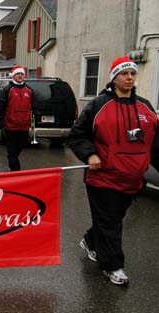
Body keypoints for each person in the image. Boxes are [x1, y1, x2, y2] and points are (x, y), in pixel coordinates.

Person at [67, 56, 159, 286]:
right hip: (103, 177)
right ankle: (112, 266)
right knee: (110, 222)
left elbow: (155, 144)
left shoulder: (145, 107)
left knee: (112, 218)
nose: (129, 77)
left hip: (133, 178)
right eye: (123, 74)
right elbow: (77, 135)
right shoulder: (99, 105)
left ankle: (90, 241)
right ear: (114, 78)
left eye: (132, 74)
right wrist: (90, 154)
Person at [0, 66, 35, 171]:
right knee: (12, 149)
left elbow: (34, 105)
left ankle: (12, 159)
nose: (20, 76)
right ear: (13, 76)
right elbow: (0, 105)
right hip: (10, 124)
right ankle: (15, 170)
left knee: (21, 145)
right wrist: (0, 120)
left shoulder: (29, 90)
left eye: (22, 74)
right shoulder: (8, 89)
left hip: (24, 125)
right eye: (18, 74)